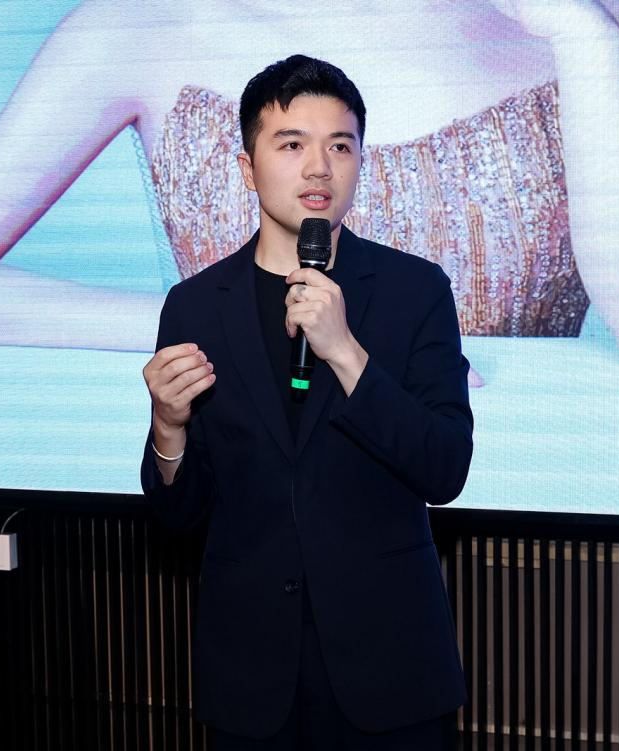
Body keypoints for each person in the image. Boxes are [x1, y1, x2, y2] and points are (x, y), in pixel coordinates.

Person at [0, 0, 619, 379]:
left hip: (536, 526)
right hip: (265, 513)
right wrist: (231, 328)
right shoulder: (147, 25)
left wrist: (581, 33)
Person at [141, 55, 473, 749]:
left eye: (340, 146)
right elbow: (180, 514)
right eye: (292, 144)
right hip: (251, 675)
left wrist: (346, 352)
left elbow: (444, 468)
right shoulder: (196, 305)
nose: (319, 168)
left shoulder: (415, 292)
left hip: (390, 669)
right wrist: (168, 429)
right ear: (247, 167)